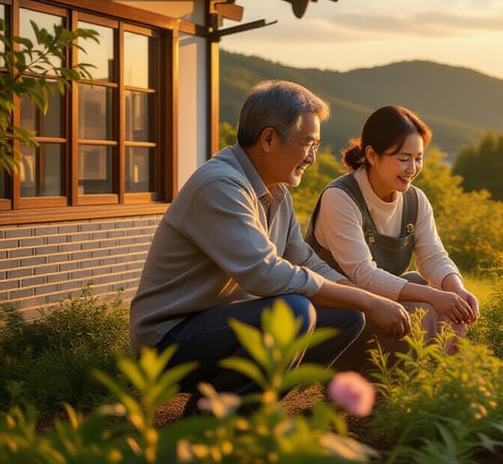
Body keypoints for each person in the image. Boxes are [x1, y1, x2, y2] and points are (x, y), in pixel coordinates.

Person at [129, 81, 411, 406]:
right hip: (168, 338)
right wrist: (370, 301)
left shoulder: (277, 193)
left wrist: (363, 299)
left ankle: (250, 406)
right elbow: (266, 274)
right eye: (308, 144)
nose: (313, 158)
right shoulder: (220, 186)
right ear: (268, 139)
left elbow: (305, 262)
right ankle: (214, 420)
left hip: (216, 326)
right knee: (293, 310)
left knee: (347, 316)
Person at [307, 105, 479, 370]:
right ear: (372, 155)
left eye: (418, 158)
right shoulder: (340, 197)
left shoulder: (415, 200)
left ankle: (435, 377)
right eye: (403, 158)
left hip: (382, 307)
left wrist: (455, 289)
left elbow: (433, 256)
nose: (412, 168)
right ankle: (400, 384)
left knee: (430, 288)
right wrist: (432, 297)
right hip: (341, 314)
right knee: (424, 296)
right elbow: (363, 274)